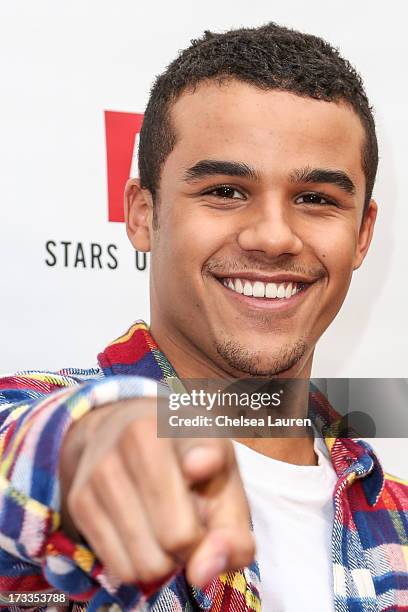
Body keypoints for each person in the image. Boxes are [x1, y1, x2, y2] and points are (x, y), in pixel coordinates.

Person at [1, 21, 407, 612]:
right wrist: (87, 446)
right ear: (142, 215)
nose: (273, 237)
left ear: (363, 234)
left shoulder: (394, 515)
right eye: (225, 190)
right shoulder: (52, 432)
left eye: (316, 199)